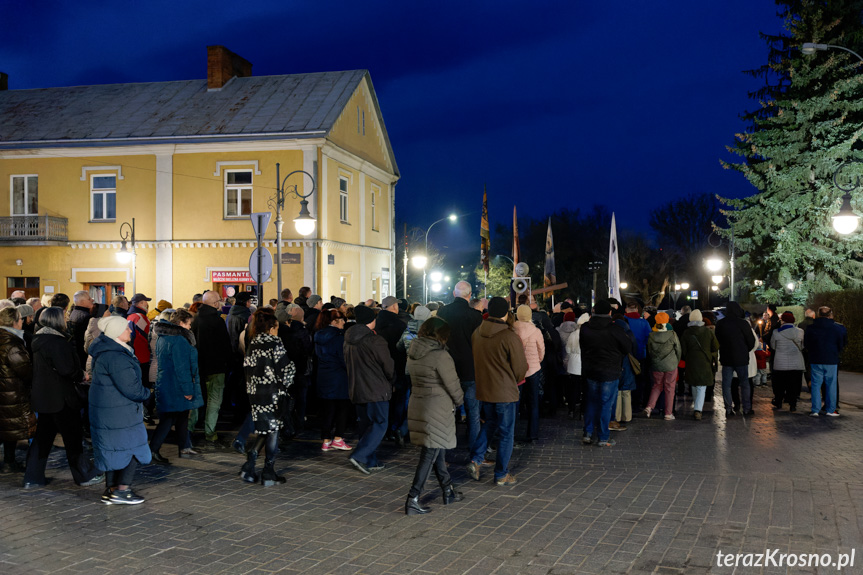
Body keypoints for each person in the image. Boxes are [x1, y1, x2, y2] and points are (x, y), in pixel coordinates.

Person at [23, 307, 104, 489]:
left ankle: (32, 477)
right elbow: (66, 369)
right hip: (62, 398)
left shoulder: (37, 339)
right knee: (72, 439)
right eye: (64, 317)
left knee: (42, 439)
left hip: (44, 397)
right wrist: (81, 374)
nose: (66, 319)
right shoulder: (57, 342)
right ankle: (84, 476)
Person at [404, 317, 465, 515]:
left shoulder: (413, 352)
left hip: (418, 402)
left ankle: (448, 490)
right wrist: (460, 402)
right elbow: (452, 384)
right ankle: (413, 498)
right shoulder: (440, 356)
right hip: (437, 406)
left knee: (437, 449)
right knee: (430, 453)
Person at [88, 316, 152, 504]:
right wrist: (148, 394)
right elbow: (132, 389)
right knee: (131, 447)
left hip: (110, 411)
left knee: (113, 449)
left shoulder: (106, 351)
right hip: (119, 413)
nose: (130, 331)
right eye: (127, 329)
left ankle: (112, 490)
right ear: (116, 332)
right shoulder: (116, 356)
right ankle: (122, 490)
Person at [466, 297, 528, 486]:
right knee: (506, 432)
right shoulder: (508, 336)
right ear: (507, 312)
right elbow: (520, 367)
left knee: (490, 423)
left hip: (485, 388)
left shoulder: (477, 332)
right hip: (504, 390)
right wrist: (514, 380)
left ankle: (476, 459)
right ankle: (501, 473)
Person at [238, 310, 295, 486]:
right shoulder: (274, 343)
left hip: (255, 393)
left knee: (265, 428)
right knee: (273, 430)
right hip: (272, 393)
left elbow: (247, 367)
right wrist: (285, 384)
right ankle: (268, 472)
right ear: (271, 328)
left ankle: (249, 465)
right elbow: (287, 368)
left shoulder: (253, 343)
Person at [344, 305, 394, 475]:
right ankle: (360, 455)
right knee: (380, 423)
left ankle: (370, 460)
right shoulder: (375, 340)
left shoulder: (349, 338)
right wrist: (392, 378)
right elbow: (387, 365)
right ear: (371, 321)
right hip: (375, 388)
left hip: (357, 387)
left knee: (366, 425)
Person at [149, 309, 204, 463]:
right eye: (188, 324)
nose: (190, 327)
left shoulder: (163, 337)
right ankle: (153, 450)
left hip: (167, 383)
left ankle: (185, 447)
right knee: (169, 419)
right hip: (176, 386)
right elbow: (182, 368)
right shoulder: (179, 340)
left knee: (180, 417)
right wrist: (188, 390)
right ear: (180, 323)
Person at [436, 281, 483, 450]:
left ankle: (445, 451)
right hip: (470, 368)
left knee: (446, 412)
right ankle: (475, 453)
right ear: (469, 295)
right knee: (473, 413)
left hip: (446, 366)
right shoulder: (475, 316)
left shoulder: (442, 312)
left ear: (454, 294)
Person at [579, 300, 631, 447]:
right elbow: (627, 347)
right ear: (610, 313)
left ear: (594, 311)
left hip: (591, 370)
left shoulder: (585, 328)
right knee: (606, 404)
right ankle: (603, 437)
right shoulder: (615, 329)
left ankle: (588, 433)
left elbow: (583, 346)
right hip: (610, 371)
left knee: (591, 402)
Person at [190, 291, 232, 446]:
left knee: (196, 401)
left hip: (198, 367)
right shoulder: (218, 321)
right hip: (216, 367)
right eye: (219, 301)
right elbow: (225, 346)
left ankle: (189, 429)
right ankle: (210, 433)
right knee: (214, 402)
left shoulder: (195, 319)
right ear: (215, 304)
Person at [0, 307, 35, 473]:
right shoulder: (12, 343)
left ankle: (8, 462)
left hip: (6, 391)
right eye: (21, 319)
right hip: (11, 392)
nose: (23, 321)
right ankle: (9, 462)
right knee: (9, 428)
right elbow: (24, 370)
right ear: (14, 321)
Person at [314, 309, 352, 452]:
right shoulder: (339, 337)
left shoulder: (318, 335)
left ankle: (326, 440)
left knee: (327, 410)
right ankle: (338, 438)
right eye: (341, 319)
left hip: (324, 375)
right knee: (342, 408)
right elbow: (343, 359)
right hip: (339, 377)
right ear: (334, 321)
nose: (344, 322)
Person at [804, 306, 847, 417]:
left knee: (815, 385)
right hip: (831, 359)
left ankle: (815, 410)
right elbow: (842, 343)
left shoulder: (811, 328)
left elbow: (807, 344)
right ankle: (831, 409)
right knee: (831, 385)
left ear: (818, 314)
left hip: (815, 359)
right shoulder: (838, 328)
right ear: (830, 314)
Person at [715, 302, 756, 417]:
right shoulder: (743, 323)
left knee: (726, 384)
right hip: (741, 358)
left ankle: (728, 409)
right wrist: (744, 349)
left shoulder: (721, 323)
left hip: (726, 357)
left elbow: (718, 340)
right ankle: (747, 408)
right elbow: (751, 341)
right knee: (745, 383)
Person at [513, 305, 544, 443]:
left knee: (515, 402)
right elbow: (541, 350)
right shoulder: (536, 331)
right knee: (533, 402)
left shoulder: (511, 329)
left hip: (516, 371)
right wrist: (537, 361)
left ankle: (512, 433)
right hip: (533, 369)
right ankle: (532, 434)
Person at [680, 309, 719, 420]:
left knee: (693, 384)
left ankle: (697, 407)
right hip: (705, 361)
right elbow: (715, 346)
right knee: (701, 386)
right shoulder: (708, 332)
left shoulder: (687, 332)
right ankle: (698, 410)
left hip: (691, 361)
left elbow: (683, 350)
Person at [644, 312, 682, 420]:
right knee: (669, 388)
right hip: (671, 365)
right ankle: (668, 413)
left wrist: (655, 361)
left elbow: (650, 351)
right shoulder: (672, 334)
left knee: (656, 386)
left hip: (657, 365)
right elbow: (678, 350)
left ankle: (649, 407)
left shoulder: (652, 335)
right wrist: (676, 362)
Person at [770, 311, 804, 412]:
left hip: (780, 363)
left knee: (780, 385)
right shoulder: (800, 331)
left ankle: (779, 402)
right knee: (793, 385)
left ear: (783, 320)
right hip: (796, 363)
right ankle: (793, 404)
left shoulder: (776, 332)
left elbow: (773, 346)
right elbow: (802, 346)